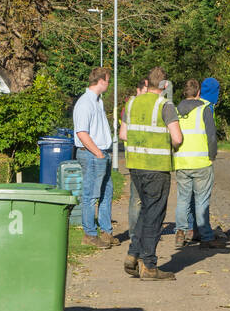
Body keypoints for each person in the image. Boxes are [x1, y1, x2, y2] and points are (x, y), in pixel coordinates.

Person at [119, 67, 182, 281]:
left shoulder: (132, 103)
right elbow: (178, 138)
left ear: (147, 83)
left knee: (145, 211)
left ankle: (133, 254)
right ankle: (149, 265)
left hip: (135, 165)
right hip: (156, 167)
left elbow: (123, 134)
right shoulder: (166, 105)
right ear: (165, 85)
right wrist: (170, 146)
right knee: (155, 215)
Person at [174, 79, 227, 249]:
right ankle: (206, 237)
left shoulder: (175, 110)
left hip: (182, 162)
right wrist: (212, 155)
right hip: (201, 162)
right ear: (198, 93)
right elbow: (211, 137)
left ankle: (180, 233)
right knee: (201, 201)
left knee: (183, 200)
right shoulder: (204, 109)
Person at [73, 67, 114, 248]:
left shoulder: (98, 101)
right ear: (102, 80)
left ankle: (106, 231)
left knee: (106, 192)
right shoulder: (85, 103)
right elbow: (81, 132)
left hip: (101, 152)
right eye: (108, 80)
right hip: (91, 154)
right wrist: (97, 153)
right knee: (90, 195)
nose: (109, 83)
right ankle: (89, 233)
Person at [121, 77, 149, 235]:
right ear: (138, 91)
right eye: (144, 92)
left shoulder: (137, 106)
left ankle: (141, 232)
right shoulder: (131, 106)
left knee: (141, 198)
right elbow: (123, 134)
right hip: (136, 157)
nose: (146, 95)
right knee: (137, 198)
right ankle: (135, 233)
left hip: (143, 157)